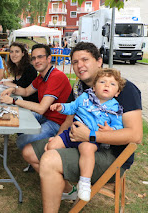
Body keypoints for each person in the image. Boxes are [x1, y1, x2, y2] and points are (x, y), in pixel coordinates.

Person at [21, 42, 142, 212]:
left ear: (99, 61)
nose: (79, 65)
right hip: (77, 140)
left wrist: (91, 136)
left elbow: (135, 135)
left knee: (48, 160)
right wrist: (59, 137)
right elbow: (69, 120)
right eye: (75, 62)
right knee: (29, 152)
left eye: (85, 59)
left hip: (111, 155)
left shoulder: (123, 88)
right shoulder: (80, 88)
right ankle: (69, 190)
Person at [47, 68, 126, 201]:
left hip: (90, 138)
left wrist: (110, 130)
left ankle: (84, 182)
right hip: (72, 132)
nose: (107, 85)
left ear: (117, 92)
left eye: (112, 84)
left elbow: (119, 127)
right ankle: (62, 179)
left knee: (87, 149)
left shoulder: (115, 108)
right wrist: (62, 107)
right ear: (94, 87)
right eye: (102, 82)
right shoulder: (85, 97)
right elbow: (72, 107)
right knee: (51, 147)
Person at [0, 43, 71, 151]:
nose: (36, 61)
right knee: (15, 118)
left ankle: (40, 149)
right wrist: (13, 89)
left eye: (40, 57)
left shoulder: (56, 76)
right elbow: (26, 91)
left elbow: (41, 109)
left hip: (57, 122)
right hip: (47, 116)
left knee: (21, 141)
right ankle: (36, 146)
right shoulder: (41, 77)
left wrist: (14, 100)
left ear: (49, 58)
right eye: (33, 58)